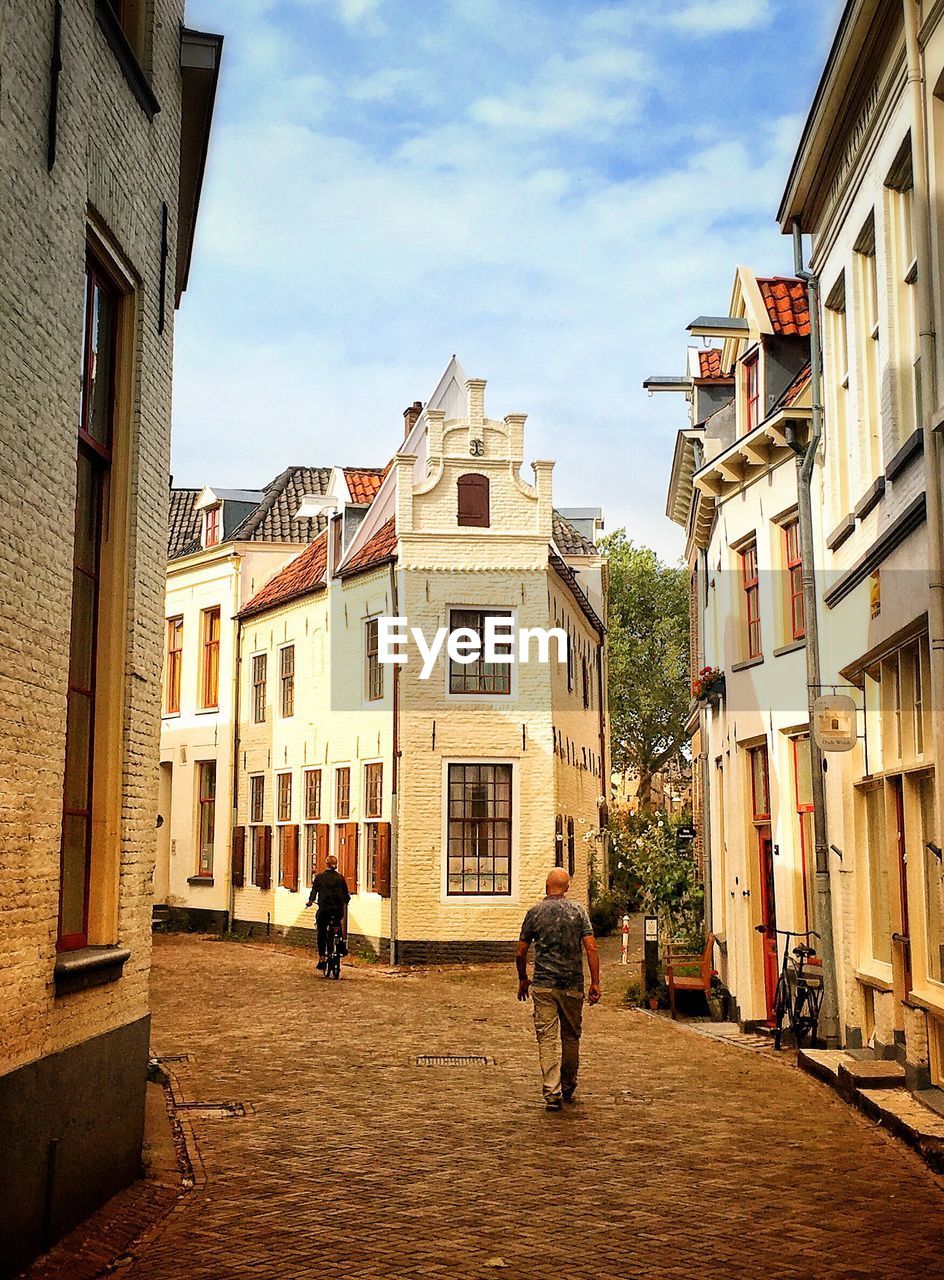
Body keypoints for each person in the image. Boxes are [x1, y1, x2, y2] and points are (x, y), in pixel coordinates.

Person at [515, 868, 601, 1111]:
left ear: (546, 885)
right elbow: (591, 949)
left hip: (543, 985)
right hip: (572, 985)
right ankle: (568, 1084)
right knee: (571, 1037)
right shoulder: (578, 912)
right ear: (567, 888)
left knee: (547, 1038)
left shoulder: (534, 913)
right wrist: (595, 982)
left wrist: (523, 978)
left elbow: (521, 952)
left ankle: (551, 1091)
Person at [306, 853, 351, 971]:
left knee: (321, 931)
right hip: (337, 910)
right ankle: (341, 945)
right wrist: (344, 902)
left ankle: (322, 958)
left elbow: (314, 893)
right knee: (337, 924)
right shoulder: (341, 878)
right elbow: (346, 895)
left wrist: (310, 902)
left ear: (326, 864)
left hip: (324, 910)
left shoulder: (319, 878)